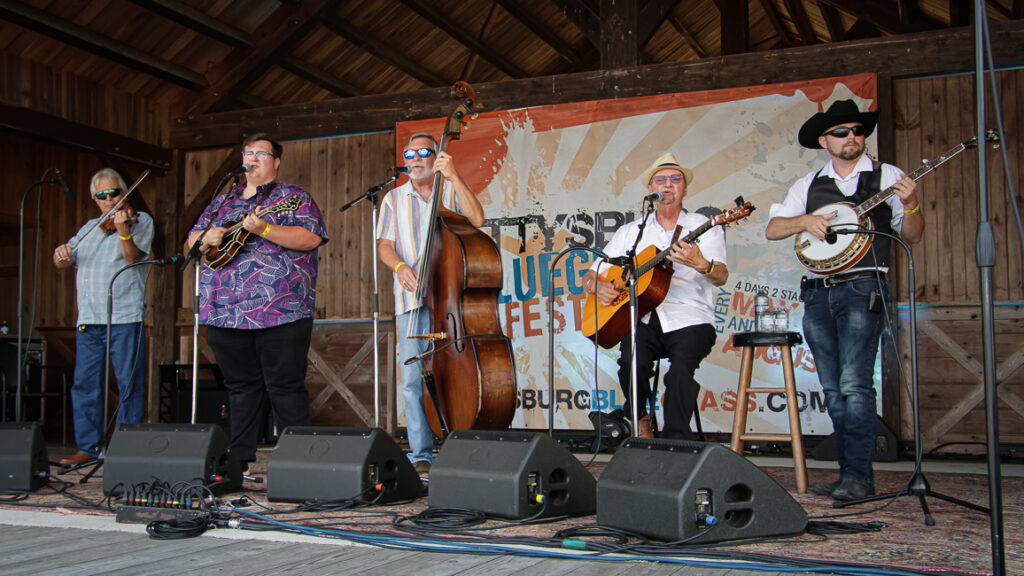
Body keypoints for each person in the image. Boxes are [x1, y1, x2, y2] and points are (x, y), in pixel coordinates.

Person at [765, 99, 923, 501]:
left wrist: (911, 204)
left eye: (857, 130)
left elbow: (914, 234)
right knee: (833, 388)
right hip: (818, 294)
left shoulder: (887, 175)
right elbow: (773, 229)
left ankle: (858, 477)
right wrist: (805, 221)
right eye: (841, 132)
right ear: (824, 140)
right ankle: (847, 475)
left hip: (862, 287)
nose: (852, 137)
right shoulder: (809, 183)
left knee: (855, 385)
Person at [186, 133, 327, 471]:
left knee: (285, 387)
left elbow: (310, 238)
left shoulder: (293, 197)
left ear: (275, 162)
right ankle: (240, 463)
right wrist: (207, 236)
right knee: (239, 388)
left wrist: (264, 229)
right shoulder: (223, 202)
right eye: (248, 152)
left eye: (260, 153)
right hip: (225, 311)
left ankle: (300, 464)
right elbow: (190, 242)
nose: (252, 157)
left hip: (281, 309)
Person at [582, 152, 729, 440]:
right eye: (660, 180)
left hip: (690, 316)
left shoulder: (704, 225)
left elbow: (721, 276)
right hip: (644, 316)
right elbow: (590, 274)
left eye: (675, 180)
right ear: (651, 190)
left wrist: (701, 263)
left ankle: (676, 442)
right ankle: (641, 420)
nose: (668, 185)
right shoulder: (632, 232)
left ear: (685, 188)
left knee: (680, 373)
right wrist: (596, 286)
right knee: (629, 363)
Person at [376, 132, 485, 475]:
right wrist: (400, 266)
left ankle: (461, 445)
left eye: (423, 152)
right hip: (411, 298)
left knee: (457, 371)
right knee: (412, 378)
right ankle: (421, 452)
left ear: (436, 156)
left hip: (451, 297)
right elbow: (384, 245)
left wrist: (454, 175)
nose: (415, 159)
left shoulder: (450, 190)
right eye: (409, 154)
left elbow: (478, 220)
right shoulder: (393, 199)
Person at [53, 168, 154, 467]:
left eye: (115, 193)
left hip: (124, 315)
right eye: (102, 195)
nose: (109, 199)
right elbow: (63, 261)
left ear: (124, 193)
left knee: (128, 384)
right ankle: (89, 448)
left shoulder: (140, 221)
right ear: (94, 199)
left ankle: (126, 449)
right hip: (89, 318)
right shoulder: (88, 229)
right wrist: (60, 255)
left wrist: (124, 232)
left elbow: (133, 258)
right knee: (85, 384)